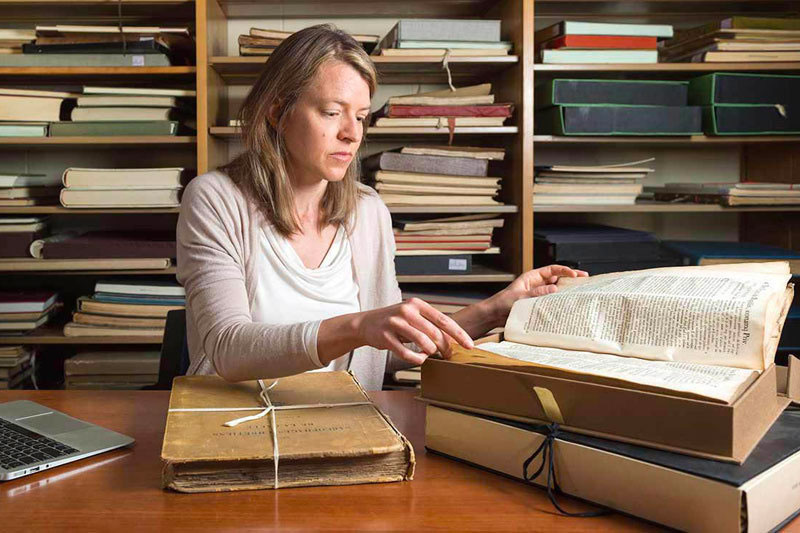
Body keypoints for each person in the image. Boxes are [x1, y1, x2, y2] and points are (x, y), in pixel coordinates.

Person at [176, 24, 587, 391]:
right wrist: (358, 326)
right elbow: (228, 348)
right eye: (332, 112)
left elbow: (388, 348)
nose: (351, 134)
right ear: (277, 112)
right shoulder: (215, 199)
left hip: (347, 427)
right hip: (230, 428)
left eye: (361, 116)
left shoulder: (367, 211)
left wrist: (495, 309)